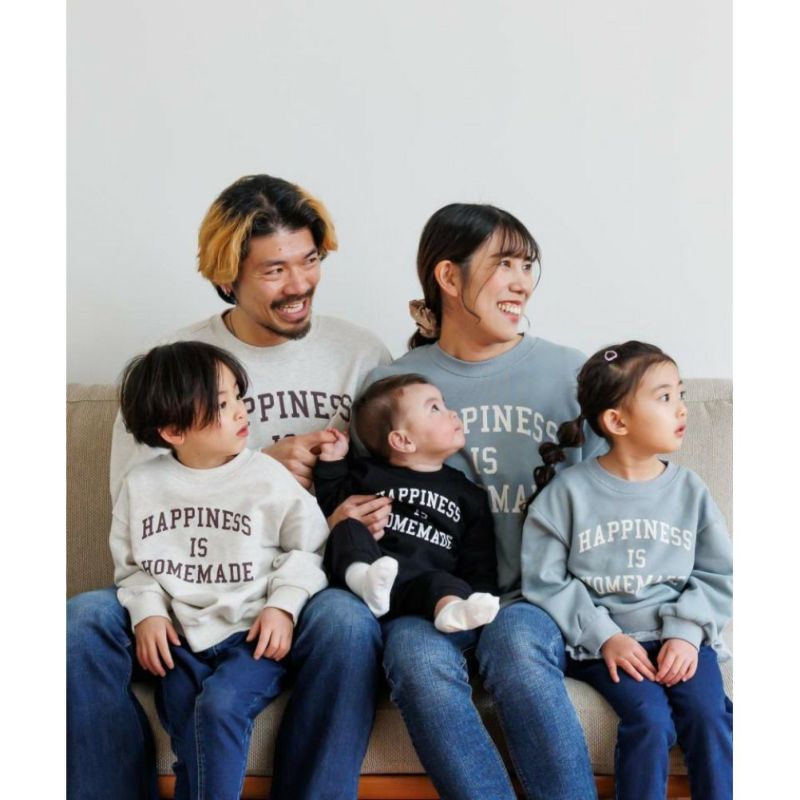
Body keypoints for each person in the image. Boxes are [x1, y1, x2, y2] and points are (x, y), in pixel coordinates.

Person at [67, 174, 392, 800]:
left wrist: (348, 513)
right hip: (186, 574)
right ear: (227, 279)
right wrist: (258, 463)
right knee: (81, 623)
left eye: (309, 261)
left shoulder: (360, 353)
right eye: (274, 270)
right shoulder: (174, 364)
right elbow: (138, 510)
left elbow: (394, 467)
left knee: (348, 625)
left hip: (300, 574)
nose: (299, 285)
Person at [362, 203, 606, 799]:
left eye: (527, 266)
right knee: (415, 659)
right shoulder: (392, 388)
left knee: (515, 646)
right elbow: (365, 498)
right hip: (429, 602)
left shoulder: (571, 375)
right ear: (449, 277)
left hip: (532, 601)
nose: (522, 283)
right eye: (504, 264)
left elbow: (610, 495)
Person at [112, 341, 330, 800]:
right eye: (222, 405)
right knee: (181, 708)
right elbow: (133, 567)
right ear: (173, 429)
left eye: (237, 397)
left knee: (221, 707)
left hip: (254, 637)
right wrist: (148, 612)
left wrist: (283, 606)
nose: (240, 411)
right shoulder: (142, 486)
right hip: (181, 640)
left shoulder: (268, 477)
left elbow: (311, 548)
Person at [521, 341, 733, 800]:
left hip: (683, 641)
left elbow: (718, 573)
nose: (681, 408)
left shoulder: (690, 490)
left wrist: (687, 633)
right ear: (617, 421)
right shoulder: (567, 494)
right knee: (650, 721)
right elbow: (545, 580)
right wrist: (604, 636)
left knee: (709, 715)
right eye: (665, 397)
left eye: (680, 394)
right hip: (609, 647)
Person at [315, 373, 500, 631]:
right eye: (434, 408)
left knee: (444, 583)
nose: (451, 413)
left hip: (422, 586)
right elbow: (331, 502)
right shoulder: (368, 474)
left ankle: (452, 610)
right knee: (346, 526)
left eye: (444, 404)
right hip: (371, 571)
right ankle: (362, 579)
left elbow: (478, 560)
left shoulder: (468, 494)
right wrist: (332, 462)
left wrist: (481, 598)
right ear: (403, 440)